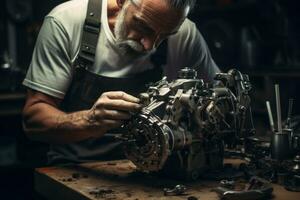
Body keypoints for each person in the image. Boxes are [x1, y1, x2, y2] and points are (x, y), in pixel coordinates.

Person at [22, 0, 220, 165]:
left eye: (165, 36)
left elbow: (219, 97)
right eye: (143, 26)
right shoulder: (66, 22)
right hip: (77, 168)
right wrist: (88, 121)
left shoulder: (184, 33)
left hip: (155, 172)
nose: (150, 46)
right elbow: (33, 121)